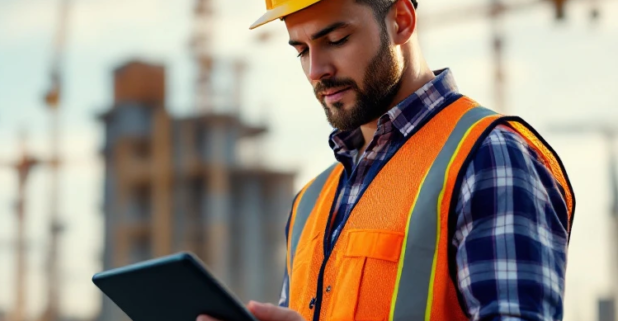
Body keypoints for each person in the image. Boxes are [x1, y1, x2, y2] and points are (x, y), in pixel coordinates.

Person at [197, 0, 576, 320]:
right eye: (301, 50)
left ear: (401, 21)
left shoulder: (488, 159)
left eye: (336, 40)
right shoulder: (309, 204)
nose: (316, 70)